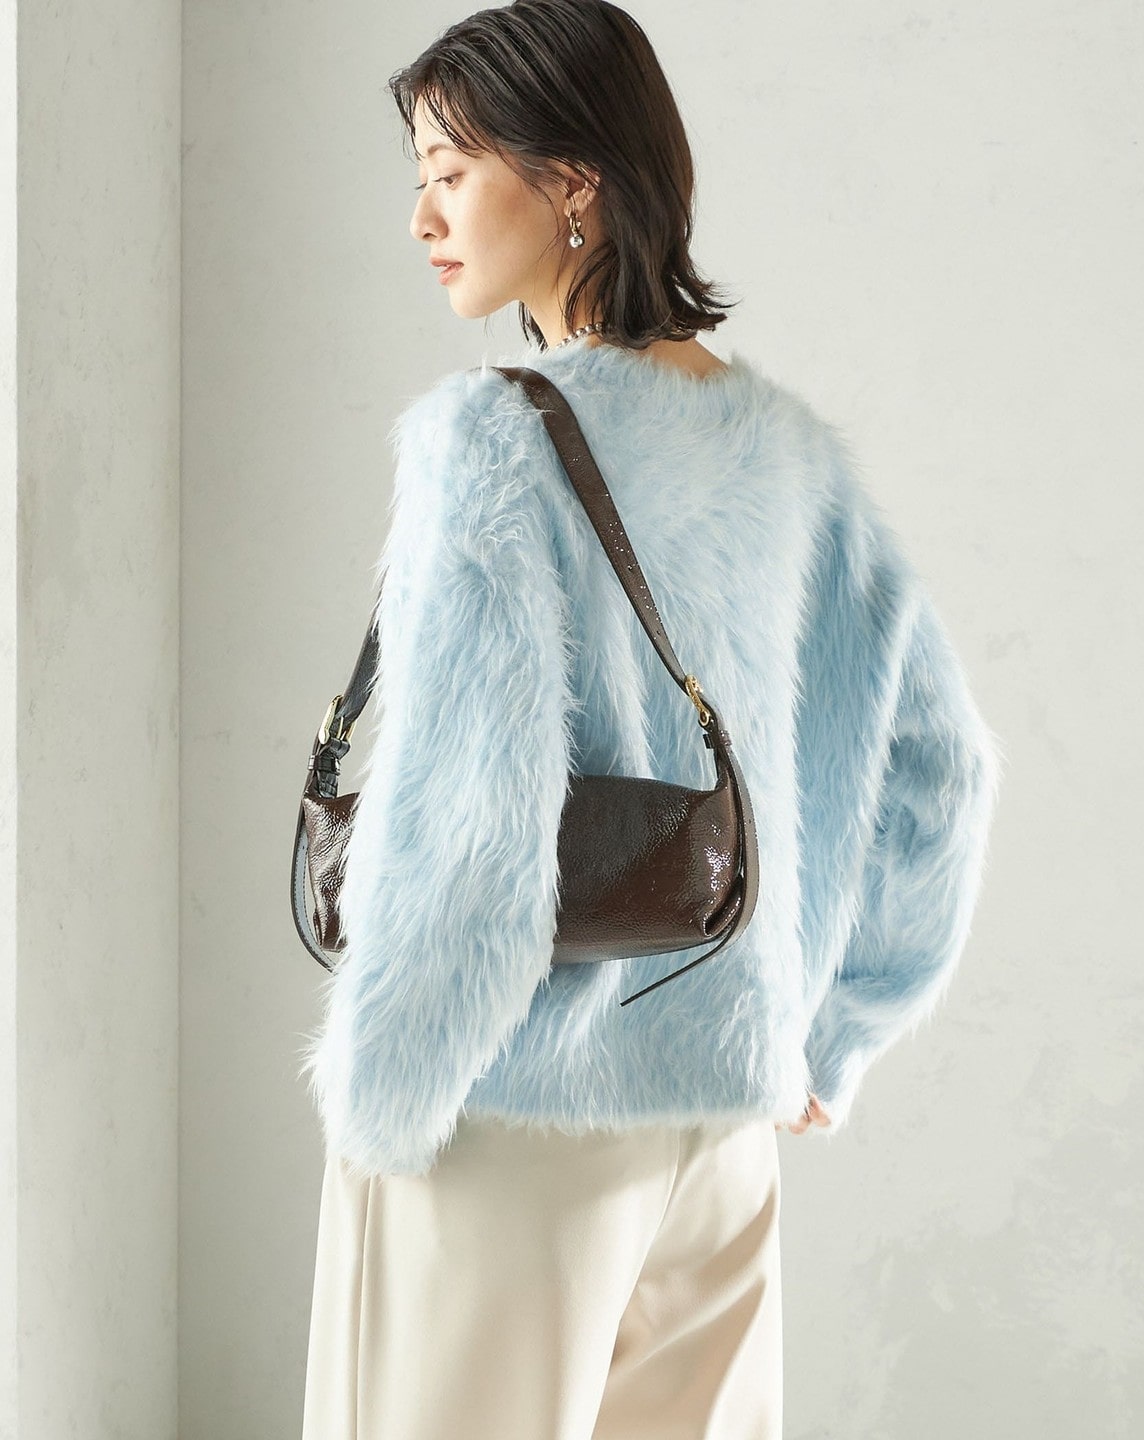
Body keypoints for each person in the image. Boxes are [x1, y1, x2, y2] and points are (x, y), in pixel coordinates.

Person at [296, 3, 1003, 1437]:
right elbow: (945, 769)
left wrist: (388, 1091)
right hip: (723, 1117)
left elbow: (466, 817)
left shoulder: (486, 439)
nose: (423, 216)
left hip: (508, 1112)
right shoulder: (792, 457)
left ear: (572, 182)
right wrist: (830, 1031)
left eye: (451, 172)